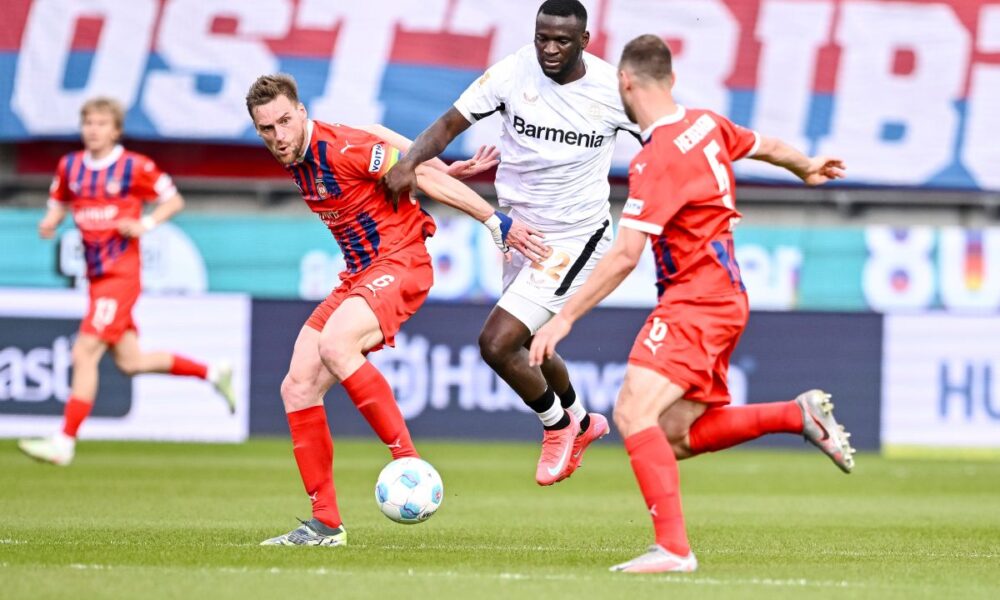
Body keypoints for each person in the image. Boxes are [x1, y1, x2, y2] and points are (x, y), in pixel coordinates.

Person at [529, 35, 856, 573]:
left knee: (632, 411)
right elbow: (768, 146)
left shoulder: (655, 158)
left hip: (696, 300)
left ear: (625, 83)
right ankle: (795, 414)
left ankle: (674, 551)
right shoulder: (706, 124)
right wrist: (806, 166)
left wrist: (562, 318)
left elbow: (625, 254)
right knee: (674, 435)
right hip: (724, 297)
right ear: (672, 80)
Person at [245, 73, 545, 547]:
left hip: (399, 263)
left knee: (336, 345)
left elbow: (408, 169)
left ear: (302, 113)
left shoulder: (340, 148)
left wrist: (494, 221)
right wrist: (441, 164)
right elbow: (381, 133)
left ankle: (407, 461)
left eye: (285, 121)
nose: (279, 135)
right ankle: (325, 524)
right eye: (267, 128)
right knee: (297, 386)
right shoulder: (302, 152)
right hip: (357, 274)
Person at [382, 0, 640, 486]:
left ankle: (558, 427)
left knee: (496, 343)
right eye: (542, 38)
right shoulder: (512, 73)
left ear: (584, 42)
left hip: (576, 235)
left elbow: (661, 143)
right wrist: (409, 162)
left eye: (562, 40)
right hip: (520, 232)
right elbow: (448, 124)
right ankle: (582, 421)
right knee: (523, 342)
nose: (549, 49)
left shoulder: (612, 90)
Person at [18, 97, 235, 467]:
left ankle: (64, 442)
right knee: (131, 362)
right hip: (96, 277)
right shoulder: (70, 166)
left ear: (116, 130)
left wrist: (144, 224)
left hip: (121, 275)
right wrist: (51, 221)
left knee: (83, 352)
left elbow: (173, 200)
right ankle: (213, 372)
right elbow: (59, 201)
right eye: (88, 123)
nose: (94, 130)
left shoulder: (135, 166)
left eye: (102, 123)